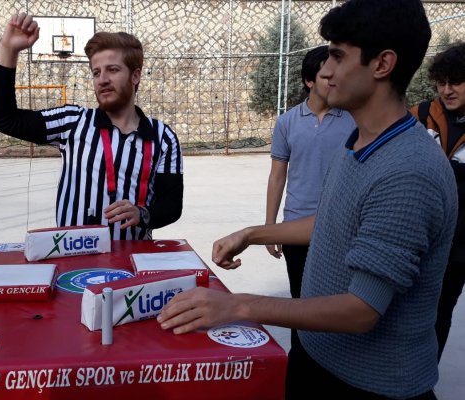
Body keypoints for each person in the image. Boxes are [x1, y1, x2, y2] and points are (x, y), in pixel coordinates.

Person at [158, 0, 457, 398]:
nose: (325, 71)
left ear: (382, 64)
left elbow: (361, 310)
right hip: (318, 360)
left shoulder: (407, 171)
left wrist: (237, 306)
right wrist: (254, 233)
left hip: (368, 385)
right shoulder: (357, 143)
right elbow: (334, 222)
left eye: (336, 56)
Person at [0, 13, 183, 240]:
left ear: (135, 76)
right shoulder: (72, 121)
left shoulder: (163, 137)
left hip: (133, 261)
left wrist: (143, 213)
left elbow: (171, 206)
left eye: (113, 69)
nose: (102, 79)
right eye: (96, 72)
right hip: (74, 257)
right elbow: (2, 117)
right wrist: (9, 49)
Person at [265, 45, 355, 300]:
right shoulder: (287, 122)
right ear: (309, 81)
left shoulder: (354, 121)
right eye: (327, 77)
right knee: (300, 301)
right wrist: (270, 227)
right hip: (296, 226)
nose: (334, 81)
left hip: (340, 227)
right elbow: (277, 176)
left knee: (335, 305)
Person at [409, 42, 465, 362]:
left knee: (440, 312)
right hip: (419, 241)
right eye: (441, 82)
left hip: (458, 249)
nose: (446, 89)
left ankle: (424, 374)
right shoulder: (421, 114)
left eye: (455, 81)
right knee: (406, 313)